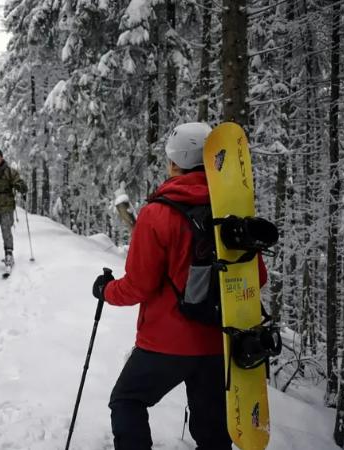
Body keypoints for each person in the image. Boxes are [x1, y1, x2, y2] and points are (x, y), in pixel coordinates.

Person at [91, 123, 268, 450]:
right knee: (213, 430)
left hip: (165, 343)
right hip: (220, 343)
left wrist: (106, 290)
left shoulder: (157, 213)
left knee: (128, 400)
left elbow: (138, 286)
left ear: (174, 163)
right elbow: (257, 278)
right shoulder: (233, 215)